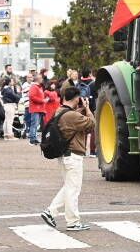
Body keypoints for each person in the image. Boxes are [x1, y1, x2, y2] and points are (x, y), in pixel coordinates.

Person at [40, 87, 97, 232]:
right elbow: (92, 123)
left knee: (69, 186)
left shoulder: (60, 111)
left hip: (64, 155)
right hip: (73, 156)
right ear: (77, 98)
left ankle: (51, 211)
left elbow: (73, 120)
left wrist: (80, 110)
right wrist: (87, 109)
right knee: (73, 189)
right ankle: (73, 222)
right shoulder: (72, 116)